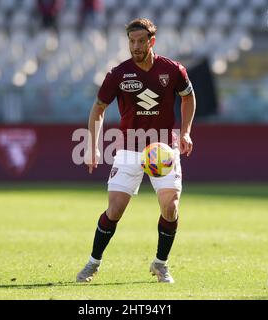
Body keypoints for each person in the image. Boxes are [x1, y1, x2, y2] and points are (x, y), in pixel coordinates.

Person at [76, 18, 196, 283]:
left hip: (164, 148)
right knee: (114, 210)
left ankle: (160, 264)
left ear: (152, 42)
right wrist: (93, 145)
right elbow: (98, 108)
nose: (136, 46)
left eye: (141, 41)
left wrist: (185, 131)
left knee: (170, 207)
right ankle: (93, 263)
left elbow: (188, 96)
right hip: (129, 149)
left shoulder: (173, 70)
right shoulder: (118, 74)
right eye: (132, 41)